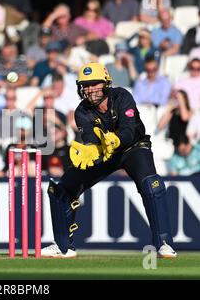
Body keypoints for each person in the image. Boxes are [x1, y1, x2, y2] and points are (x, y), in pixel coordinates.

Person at [41, 62, 177, 259]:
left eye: (94, 84)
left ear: (106, 83)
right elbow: (91, 139)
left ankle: (164, 243)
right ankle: (64, 246)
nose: (90, 89)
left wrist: (117, 139)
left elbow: (130, 130)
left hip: (133, 148)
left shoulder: (122, 96)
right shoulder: (82, 111)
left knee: (152, 186)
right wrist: (89, 150)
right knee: (62, 188)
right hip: (105, 153)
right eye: (85, 85)